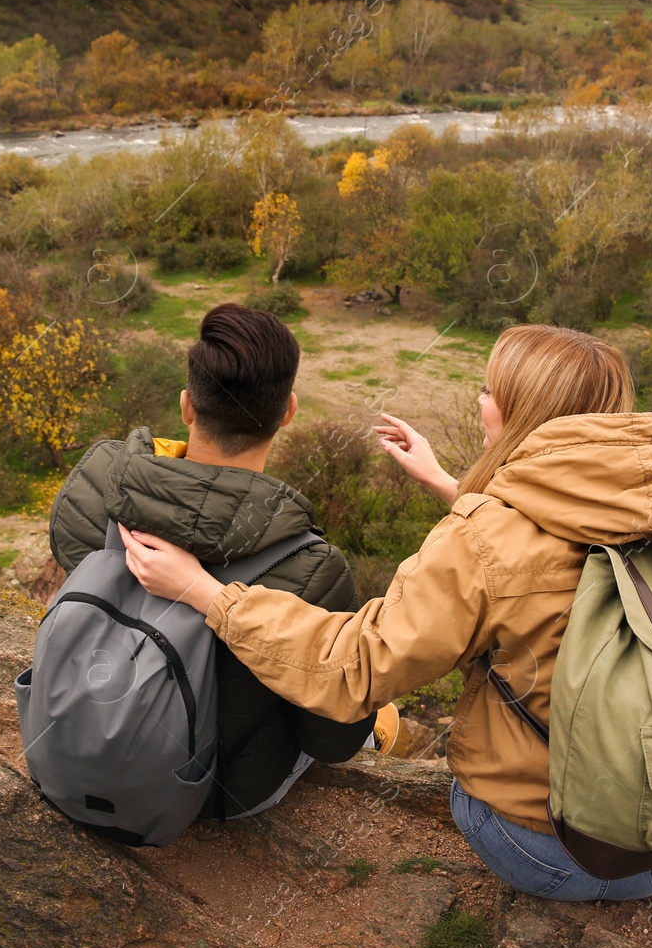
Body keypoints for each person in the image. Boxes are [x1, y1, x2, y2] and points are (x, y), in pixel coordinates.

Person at [118, 324, 652, 900]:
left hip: (559, 856)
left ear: (518, 412)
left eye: (487, 391)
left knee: (465, 788)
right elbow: (541, 559)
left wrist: (203, 591)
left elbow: (356, 669)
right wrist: (448, 484)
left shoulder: (480, 541)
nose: (479, 402)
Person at [46, 302, 394, 823]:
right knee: (373, 712)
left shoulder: (101, 483)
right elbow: (330, 742)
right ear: (288, 412)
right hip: (215, 795)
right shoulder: (312, 568)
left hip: (72, 738)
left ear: (187, 406)